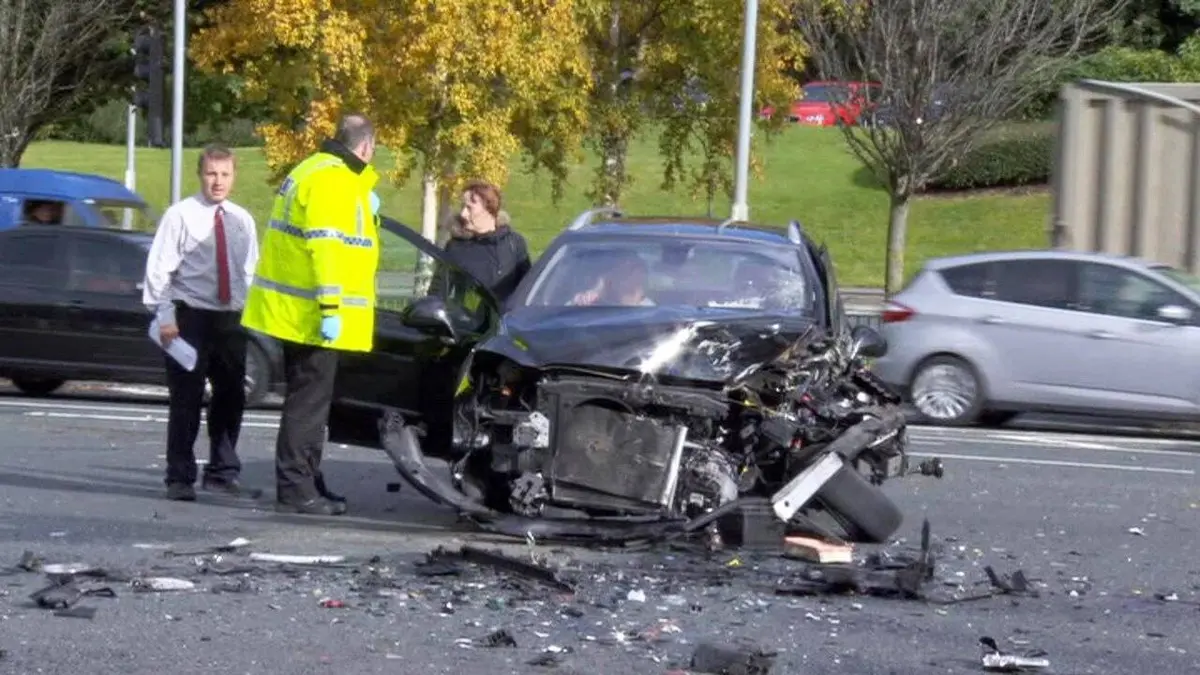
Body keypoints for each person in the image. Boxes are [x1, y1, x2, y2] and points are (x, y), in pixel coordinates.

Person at [240, 113, 381, 517]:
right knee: (308, 407)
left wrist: (367, 209)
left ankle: (306, 481)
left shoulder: (313, 169)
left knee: (308, 405)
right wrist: (331, 309)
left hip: (297, 312)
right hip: (313, 317)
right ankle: (297, 489)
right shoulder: (333, 179)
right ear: (366, 147)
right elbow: (326, 249)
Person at [142, 144, 261, 502]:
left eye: (225, 174)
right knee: (186, 399)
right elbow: (159, 270)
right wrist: (165, 317)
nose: (218, 181)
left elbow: (250, 272)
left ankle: (222, 473)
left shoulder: (242, 220)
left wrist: (252, 315)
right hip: (189, 316)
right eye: (212, 173)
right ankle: (179, 477)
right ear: (200, 174)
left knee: (231, 396)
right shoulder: (180, 215)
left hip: (231, 318)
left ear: (234, 177)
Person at [432, 181, 531, 307]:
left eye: (469, 208)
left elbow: (529, 290)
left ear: (490, 209)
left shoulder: (514, 243)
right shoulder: (455, 247)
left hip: (508, 324)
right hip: (471, 324)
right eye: (462, 207)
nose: (463, 214)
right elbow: (437, 293)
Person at [570, 253, 654, 306]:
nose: (624, 274)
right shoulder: (590, 302)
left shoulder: (649, 310)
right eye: (621, 269)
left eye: (630, 269)